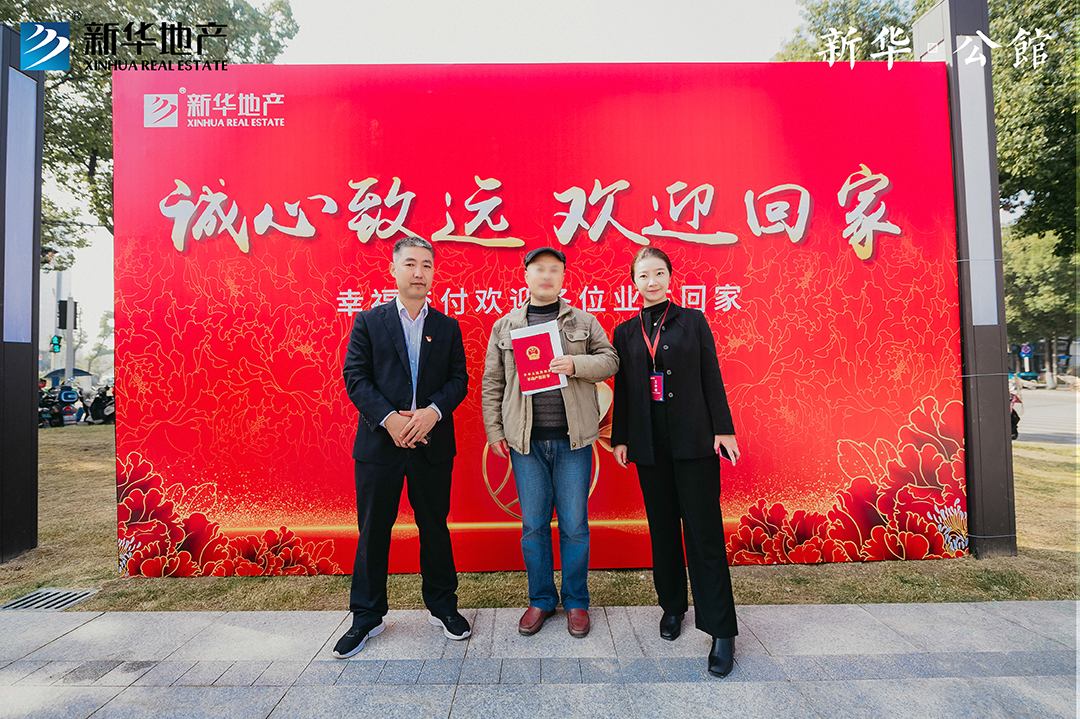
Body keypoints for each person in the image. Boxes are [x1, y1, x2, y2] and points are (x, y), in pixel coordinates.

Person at [335, 236, 470, 658]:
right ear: (393, 270)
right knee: (374, 529)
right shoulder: (368, 322)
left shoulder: (447, 327)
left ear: (433, 273)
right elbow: (355, 376)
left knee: (434, 526)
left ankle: (443, 607)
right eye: (410, 264)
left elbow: (459, 380)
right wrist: (390, 419)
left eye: (426, 265)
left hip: (431, 442)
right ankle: (366, 616)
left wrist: (433, 412)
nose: (419, 272)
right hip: (380, 445)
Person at [610, 246, 742, 677]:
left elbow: (711, 375)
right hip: (649, 447)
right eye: (643, 275)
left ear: (670, 277)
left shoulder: (693, 320)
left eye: (659, 273)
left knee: (704, 534)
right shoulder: (625, 332)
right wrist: (621, 437)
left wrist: (723, 429)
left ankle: (721, 630)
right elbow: (625, 389)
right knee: (663, 530)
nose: (652, 282)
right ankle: (672, 606)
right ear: (633, 281)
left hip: (694, 441)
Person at [482, 247, 618, 638]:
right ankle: (541, 599)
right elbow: (493, 383)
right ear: (526, 276)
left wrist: (577, 364)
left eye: (554, 270)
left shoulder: (583, 321)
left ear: (563, 277)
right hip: (526, 445)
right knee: (534, 527)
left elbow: (610, 360)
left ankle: (576, 601)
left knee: (574, 526)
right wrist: (495, 431)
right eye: (539, 269)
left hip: (573, 442)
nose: (546, 275)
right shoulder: (505, 326)